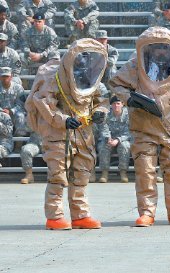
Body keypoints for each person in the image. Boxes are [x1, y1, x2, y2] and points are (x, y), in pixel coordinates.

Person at [109, 27, 170, 227]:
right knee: (145, 170)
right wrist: (131, 99)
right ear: (148, 49)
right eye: (156, 47)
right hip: (144, 125)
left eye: (164, 47)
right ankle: (146, 212)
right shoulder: (135, 66)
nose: (161, 51)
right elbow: (116, 84)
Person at [25, 38, 109, 230]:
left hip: (83, 133)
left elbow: (101, 101)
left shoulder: (90, 76)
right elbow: (44, 103)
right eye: (82, 55)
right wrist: (63, 120)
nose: (85, 60)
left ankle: (80, 215)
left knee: (81, 175)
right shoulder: (54, 77)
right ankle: (54, 217)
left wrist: (100, 113)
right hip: (58, 133)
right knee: (58, 175)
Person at [97, 95, 131, 183]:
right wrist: (108, 138)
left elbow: (129, 131)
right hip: (109, 138)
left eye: (118, 103)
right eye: (114, 104)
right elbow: (103, 128)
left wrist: (118, 140)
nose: (116, 106)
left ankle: (123, 172)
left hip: (123, 139)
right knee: (103, 146)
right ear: (111, 105)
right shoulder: (106, 114)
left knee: (125, 146)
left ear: (122, 104)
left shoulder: (128, 115)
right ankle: (104, 173)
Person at [0, 67, 28, 137]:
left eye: (7, 76)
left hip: (14, 112)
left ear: (11, 77)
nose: (5, 78)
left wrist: (11, 111)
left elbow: (21, 104)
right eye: (3, 76)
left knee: (20, 116)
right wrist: (2, 111)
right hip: (1, 113)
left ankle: (18, 144)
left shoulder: (18, 88)